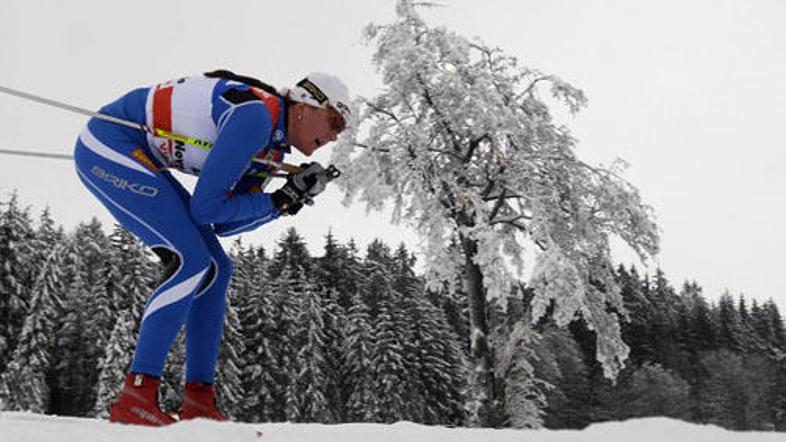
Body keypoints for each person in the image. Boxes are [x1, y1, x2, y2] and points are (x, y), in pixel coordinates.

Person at [73, 70, 351, 426]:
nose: (335, 135)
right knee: (190, 260)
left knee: (217, 270)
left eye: (341, 130)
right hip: (108, 144)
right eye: (335, 121)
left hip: (138, 152)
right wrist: (277, 199)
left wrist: (286, 200)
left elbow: (223, 223)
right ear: (304, 106)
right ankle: (136, 396)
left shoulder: (271, 148)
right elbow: (205, 209)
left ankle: (198, 401)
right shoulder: (256, 117)